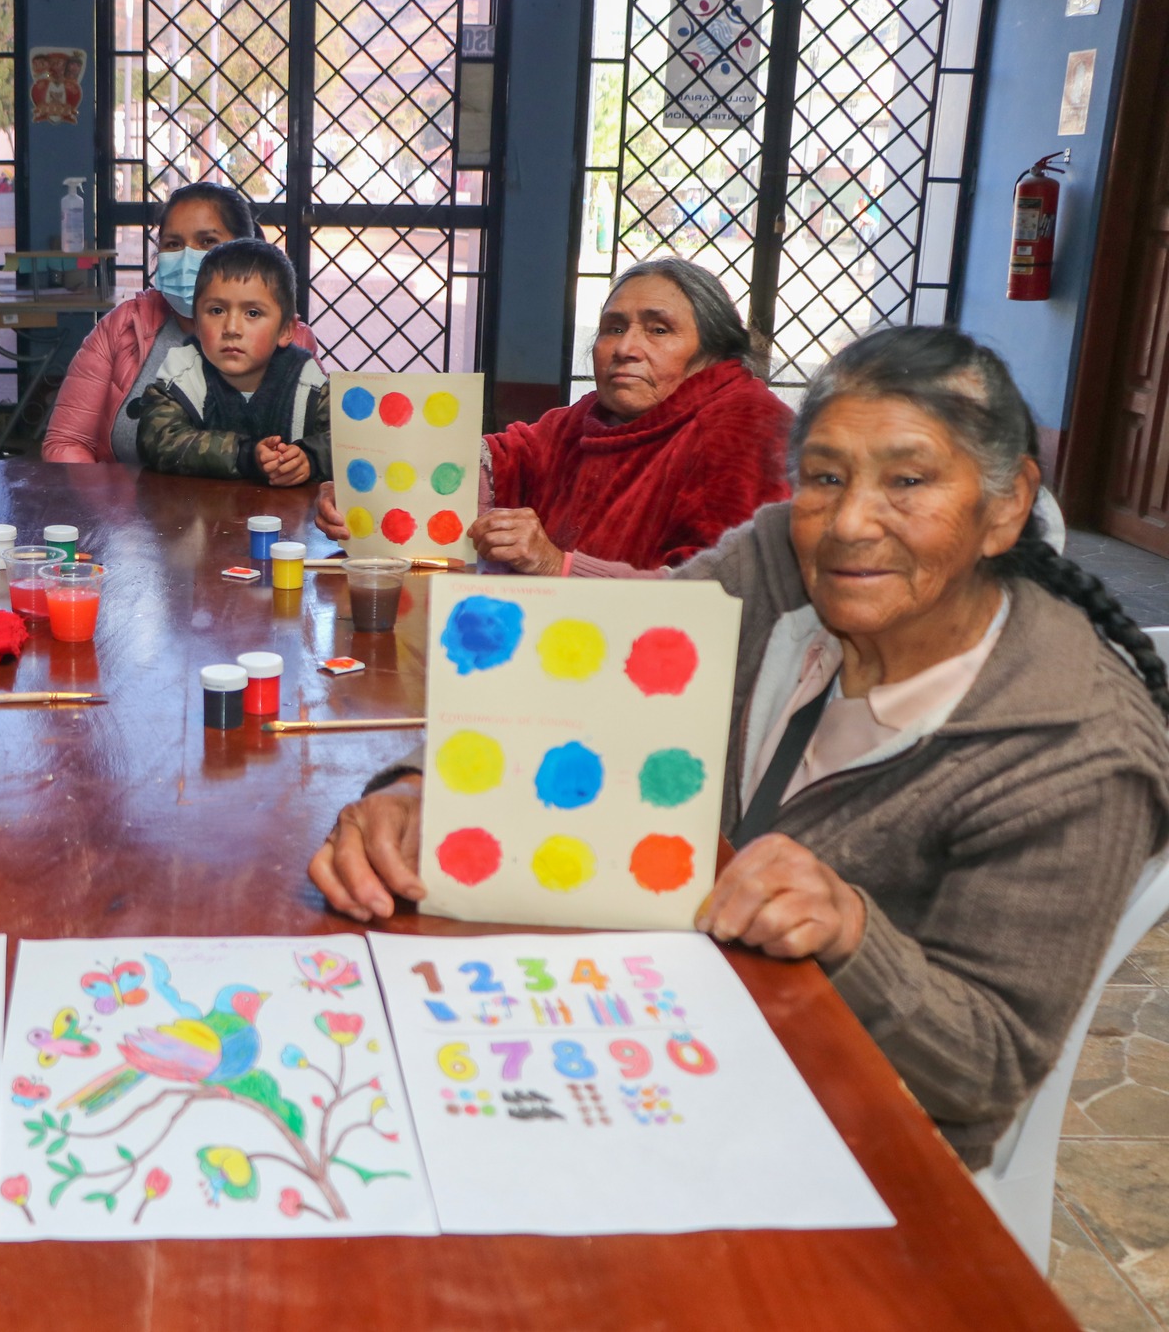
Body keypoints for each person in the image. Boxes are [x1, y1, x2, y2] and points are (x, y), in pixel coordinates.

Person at [307, 324, 1169, 1169]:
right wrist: (423, 787)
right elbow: (591, 676)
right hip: (663, 1018)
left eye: (908, 479)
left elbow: (986, 1066)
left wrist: (851, 930)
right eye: (825, 476)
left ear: (1007, 502)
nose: (850, 523)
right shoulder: (778, 558)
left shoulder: (1074, 750)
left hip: (854, 1135)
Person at [315, 257, 789, 571]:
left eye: (659, 330)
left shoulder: (746, 427)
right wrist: (370, 490)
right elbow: (504, 460)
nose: (625, 348)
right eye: (613, 328)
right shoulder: (592, 417)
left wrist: (557, 565)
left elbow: (716, 599)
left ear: (714, 351)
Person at [42, 182, 324, 464]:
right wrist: (105, 505)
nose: (188, 257)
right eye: (173, 244)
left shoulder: (294, 343)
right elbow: (67, 442)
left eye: (207, 241)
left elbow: (331, 444)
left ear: (244, 249)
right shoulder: (122, 327)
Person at [134, 238, 330, 485]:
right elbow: (157, 440)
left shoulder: (307, 381)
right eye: (217, 311)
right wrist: (244, 455)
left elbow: (350, 442)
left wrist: (310, 458)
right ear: (196, 321)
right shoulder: (183, 373)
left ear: (285, 330)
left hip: (285, 519)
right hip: (197, 517)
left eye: (252, 313)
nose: (232, 328)